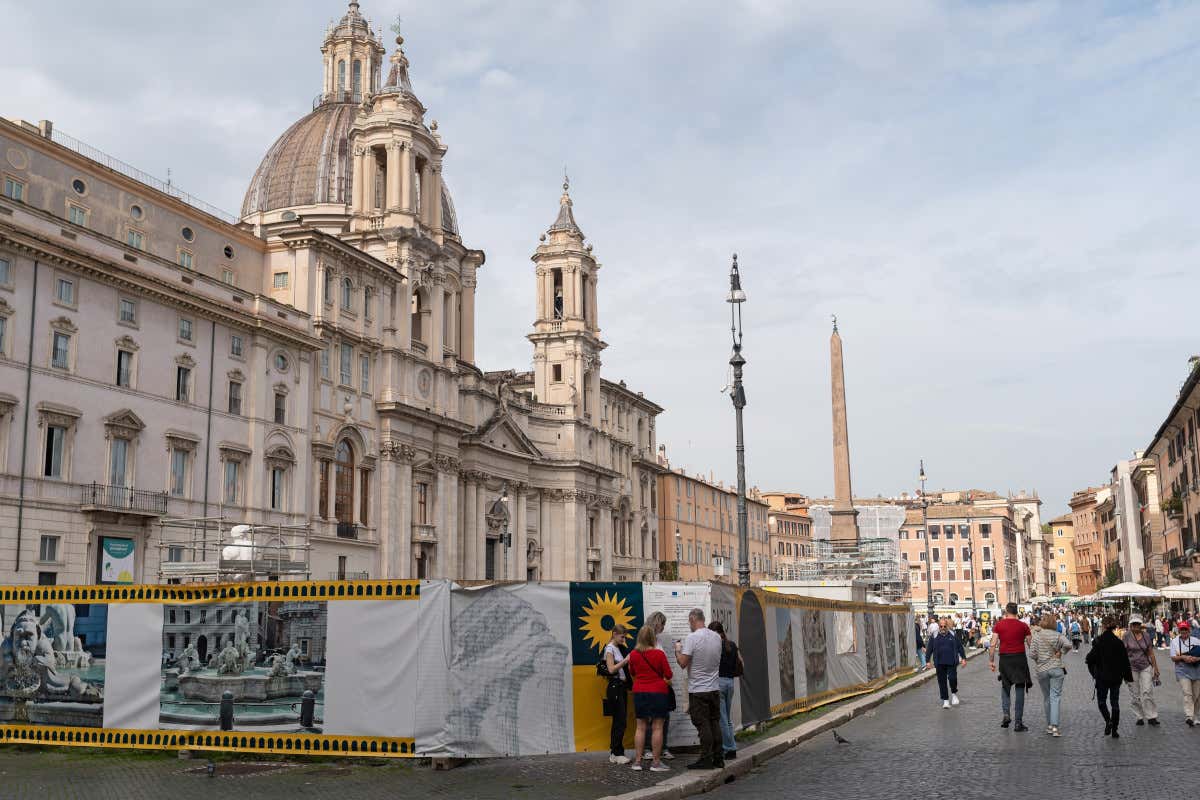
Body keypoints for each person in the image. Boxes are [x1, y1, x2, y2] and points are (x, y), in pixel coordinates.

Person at [675, 608, 724, 770]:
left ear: (692, 620)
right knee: (714, 722)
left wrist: (678, 650)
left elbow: (683, 663)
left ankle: (706, 758)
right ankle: (719, 757)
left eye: (689, 622)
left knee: (703, 724)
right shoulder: (716, 637)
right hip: (714, 688)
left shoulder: (692, 637)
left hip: (698, 690)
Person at [627, 624, 672, 773]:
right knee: (657, 727)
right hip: (658, 692)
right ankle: (656, 763)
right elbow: (669, 674)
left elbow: (632, 672)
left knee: (640, 727)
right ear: (653, 638)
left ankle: (637, 762)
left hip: (639, 692)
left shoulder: (633, 654)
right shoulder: (659, 654)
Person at [1086, 616, 1133, 737]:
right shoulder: (1119, 642)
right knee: (1115, 703)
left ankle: (1108, 720)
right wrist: (1127, 677)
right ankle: (1115, 730)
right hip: (1116, 678)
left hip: (1102, 677)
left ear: (1103, 626)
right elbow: (1125, 661)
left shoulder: (1098, 641)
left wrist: (1094, 673)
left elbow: (1089, 659)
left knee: (1101, 702)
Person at [989, 602, 1033, 732]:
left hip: (1005, 658)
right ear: (1016, 611)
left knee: (1005, 686)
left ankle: (1006, 714)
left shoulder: (999, 625)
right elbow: (1031, 645)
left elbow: (993, 644)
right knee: (1019, 688)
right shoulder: (1024, 626)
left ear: (1006, 611)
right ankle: (1018, 723)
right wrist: (1038, 659)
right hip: (1019, 658)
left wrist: (991, 660)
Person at [1029, 613, 1072, 737]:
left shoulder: (1037, 636)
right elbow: (1068, 644)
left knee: (1047, 697)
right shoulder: (1058, 635)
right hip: (1056, 668)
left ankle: (1049, 725)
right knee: (1055, 697)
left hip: (1042, 669)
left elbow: (1032, 654)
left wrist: (1039, 658)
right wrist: (1061, 652)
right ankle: (1055, 727)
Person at [641, 611, 675, 762]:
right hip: (651, 685)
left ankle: (662, 747)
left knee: (664, 717)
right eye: (663, 624)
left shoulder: (658, 640)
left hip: (662, 684)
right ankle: (648, 749)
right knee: (650, 718)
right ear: (656, 623)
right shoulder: (645, 640)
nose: (663, 627)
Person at [709, 620, 743, 761]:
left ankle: (729, 748)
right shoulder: (732, 645)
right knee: (727, 718)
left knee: (722, 719)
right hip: (730, 683)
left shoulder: (715, 646)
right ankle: (731, 745)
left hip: (719, 683)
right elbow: (741, 662)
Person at [1123, 615, 1160, 727]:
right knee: (1135, 694)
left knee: (1147, 691)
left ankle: (1151, 716)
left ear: (1140, 625)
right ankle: (1139, 716)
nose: (1136, 626)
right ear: (1131, 625)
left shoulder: (1146, 635)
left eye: (1138, 624)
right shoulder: (1126, 636)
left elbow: (1151, 652)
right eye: (1134, 624)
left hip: (1145, 666)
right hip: (1131, 667)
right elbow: (1123, 653)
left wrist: (1155, 668)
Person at [603, 624, 632, 764]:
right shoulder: (610, 648)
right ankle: (616, 752)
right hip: (615, 687)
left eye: (624, 637)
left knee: (620, 720)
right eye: (622, 637)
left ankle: (616, 752)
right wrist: (625, 661)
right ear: (614, 634)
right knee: (619, 721)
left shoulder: (618, 648)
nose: (623, 639)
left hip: (621, 687)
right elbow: (611, 669)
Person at [924, 616, 966, 708]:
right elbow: (929, 649)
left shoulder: (952, 634)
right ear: (938, 626)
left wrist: (963, 658)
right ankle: (945, 700)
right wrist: (927, 661)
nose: (943, 628)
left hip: (952, 661)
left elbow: (959, 646)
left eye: (944, 626)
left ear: (947, 626)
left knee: (952, 678)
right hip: (939, 662)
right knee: (942, 682)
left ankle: (954, 694)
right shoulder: (934, 635)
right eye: (941, 626)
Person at [1170, 620, 1200, 726]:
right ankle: (1189, 716)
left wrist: (1196, 659)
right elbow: (1173, 658)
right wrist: (1183, 657)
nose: (1184, 632)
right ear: (1179, 631)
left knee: (1197, 695)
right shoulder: (1174, 642)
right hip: (1182, 670)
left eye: (1185, 630)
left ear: (1189, 630)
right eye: (1182, 630)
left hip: (1196, 670)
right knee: (1187, 693)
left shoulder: (1196, 641)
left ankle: (1196, 715)